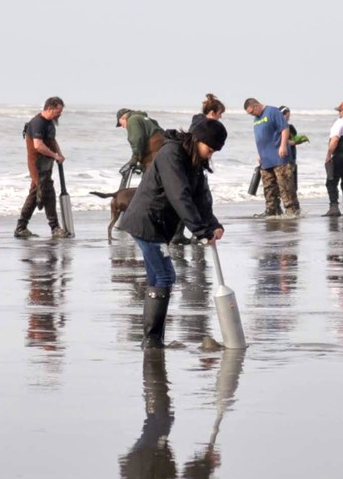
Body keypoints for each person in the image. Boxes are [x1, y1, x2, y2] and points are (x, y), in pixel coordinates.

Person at [117, 120, 228, 348]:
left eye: (215, 151)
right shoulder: (171, 154)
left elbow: (200, 197)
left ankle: (152, 340)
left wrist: (212, 224)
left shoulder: (194, 160)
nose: (211, 154)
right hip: (146, 222)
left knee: (157, 278)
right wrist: (200, 231)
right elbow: (179, 195)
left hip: (158, 225)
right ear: (199, 140)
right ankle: (153, 340)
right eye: (211, 148)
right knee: (166, 277)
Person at [16, 96, 69, 239]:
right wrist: (54, 155)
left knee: (35, 193)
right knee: (47, 192)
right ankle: (55, 228)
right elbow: (38, 145)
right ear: (49, 108)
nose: (60, 114)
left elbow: (52, 140)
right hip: (37, 164)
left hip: (47, 163)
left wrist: (59, 154)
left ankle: (21, 227)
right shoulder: (37, 122)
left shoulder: (50, 123)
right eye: (58, 111)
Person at [243, 97, 297, 217]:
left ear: (256, 105)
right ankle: (272, 210)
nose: (251, 114)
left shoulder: (272, 111)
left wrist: (283, 145)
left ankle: (292, 211)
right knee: (268, 187)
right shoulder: (256, 119)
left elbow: (285, 128)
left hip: (279, 157)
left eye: (251, 111)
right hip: (265, 159)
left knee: (285, 186)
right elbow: (259, 138)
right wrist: (259, 154)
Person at [115, 107, 165, 188]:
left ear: (123, 117)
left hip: (154, 154)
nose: (123, 127)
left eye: (121, 124)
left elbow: (137, 139)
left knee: (148, 186)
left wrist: (135, 157)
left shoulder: (132, 120)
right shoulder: (147, 119)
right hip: (162, 152)